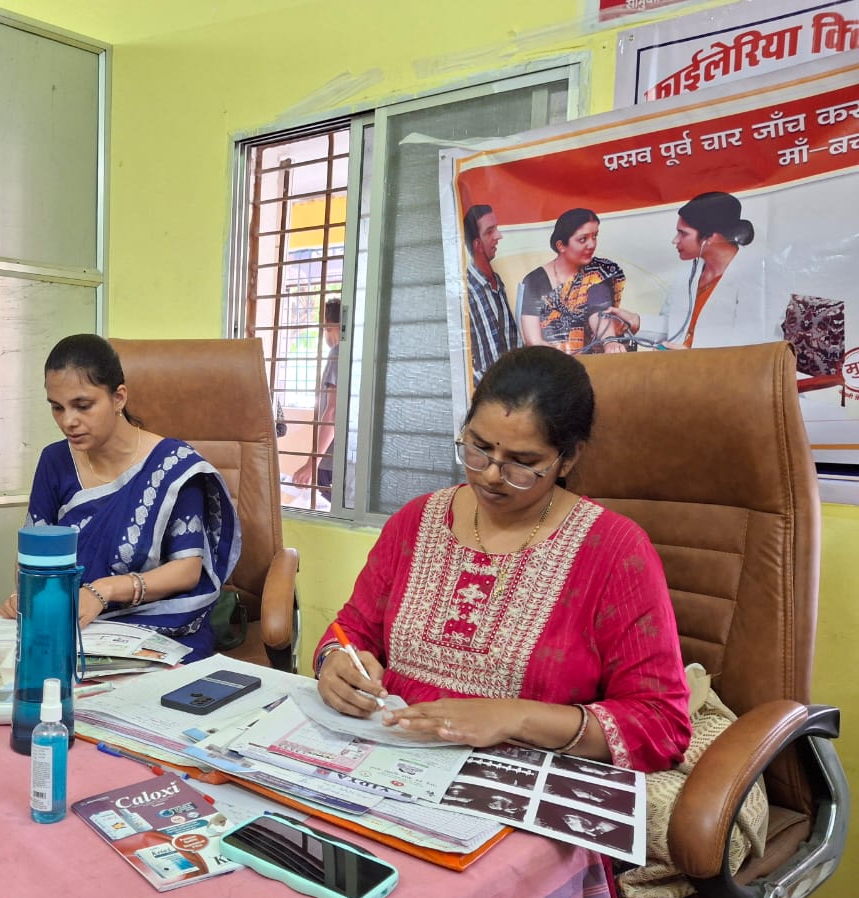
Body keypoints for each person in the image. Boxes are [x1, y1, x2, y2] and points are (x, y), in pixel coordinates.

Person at [315, 346, 690, 774]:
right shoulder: (416, 522)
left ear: (568, 458)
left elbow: (661, 723)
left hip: (518, 779)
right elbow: (352, 630)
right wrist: (334, 662)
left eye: (523, 463)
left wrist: (515, 717)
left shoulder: (615, 550)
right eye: (478, 448)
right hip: (388, 758)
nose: (491, 475)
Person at [0, 334, 240, 661]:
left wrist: (104, 591)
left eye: (83, 406)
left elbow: (187, 569)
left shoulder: (174, 467)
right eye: (57, 407)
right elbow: (33, 553)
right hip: (72, 625)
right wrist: (29, 594)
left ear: (118, 397)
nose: (68, 421)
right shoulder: (55, 461)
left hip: (157, 627)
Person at [603, 191, 761, 349]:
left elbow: (754, 346)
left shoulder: (755, 277)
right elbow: (676, 328)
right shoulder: (687, 274)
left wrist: (692, 356)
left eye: (683, 234)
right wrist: (637, 321)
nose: (675, 240)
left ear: (710, 238)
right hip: (677, 362)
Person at [518, 209, 632, 355]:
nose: (591, 245)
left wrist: (610, 342)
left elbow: (599, 312)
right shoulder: (534, 281)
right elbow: (533, 340)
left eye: (594, 236)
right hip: (549, 361)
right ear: (561, 245)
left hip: (592, 362)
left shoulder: (598, 272)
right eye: (583, 239)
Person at [463, 204, 521, 385]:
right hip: (493, 392)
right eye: (490, 231)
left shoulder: (498, 281)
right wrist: (492, 388)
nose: (499, 236)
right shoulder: (466, 290)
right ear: (477, 244)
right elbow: (466, 362)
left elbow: (512, 341)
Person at [292, 298, 341, 493]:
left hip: (330, 460)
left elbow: (333, 411)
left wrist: (312, 464)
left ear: (328, 325)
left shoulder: (338, 353)